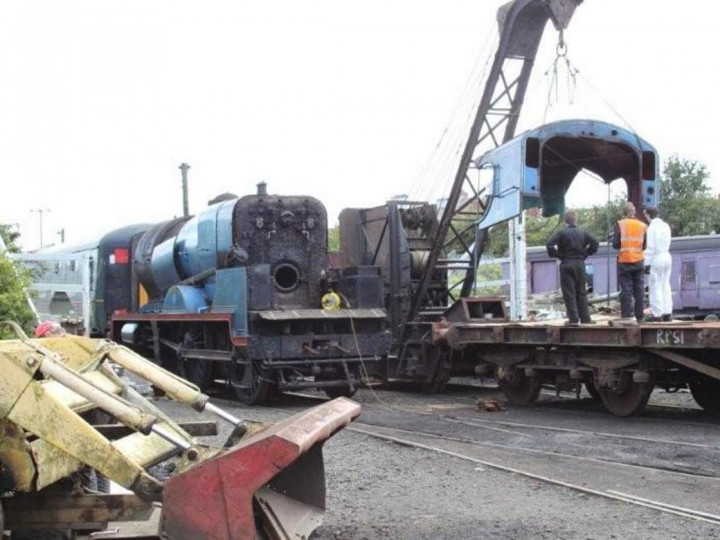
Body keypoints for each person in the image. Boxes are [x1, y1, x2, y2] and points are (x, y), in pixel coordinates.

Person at [546, 210, 599, 325]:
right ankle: (585, 319)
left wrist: (559, 255)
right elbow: (595, 243)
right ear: (576, 220)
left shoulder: (561, 233)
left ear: (565, 222)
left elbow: (549, 244)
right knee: (581, 291)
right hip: (579, 264)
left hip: (566, 263)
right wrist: (585, 254)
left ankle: (573, 319)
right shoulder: (583, 232)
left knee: (569, 292)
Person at [612, 201, 648, 324]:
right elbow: (644, 245)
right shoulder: (643, 225)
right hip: (638, 260)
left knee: (626, 289)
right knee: (639, 289)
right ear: (634, 212)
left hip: (624, 260)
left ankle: (627, 316)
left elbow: (615, 244)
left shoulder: (620, 224)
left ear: (624, 213)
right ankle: (640, 317)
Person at [643, 206, 673, 321]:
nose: (645, 217)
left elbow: (651, 247)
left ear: (648, 214)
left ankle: (657, 314)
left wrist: (646, 263)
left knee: (655, 286)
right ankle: (667, 312)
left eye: (645, 215)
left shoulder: (652, 228)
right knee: (665, 284)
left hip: (657, 258)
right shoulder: (666, 226)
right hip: (667, 256)